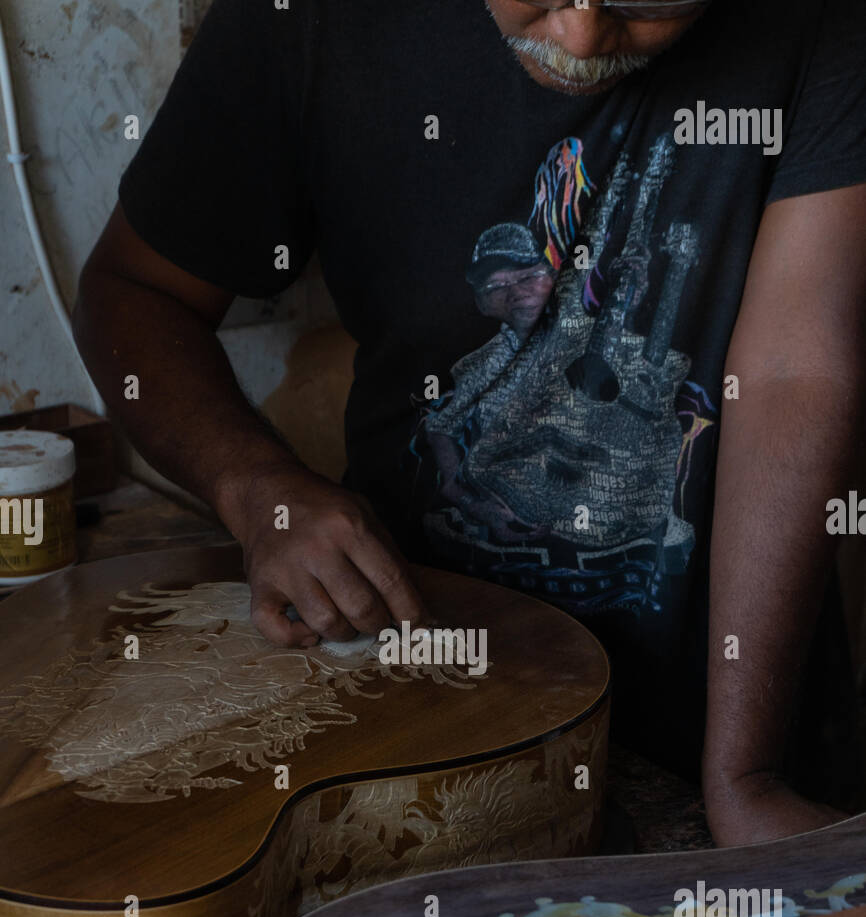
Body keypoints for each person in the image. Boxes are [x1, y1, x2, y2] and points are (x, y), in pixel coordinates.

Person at [72, 0, 866, 848]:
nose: (583, 36)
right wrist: (258, 489)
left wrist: (744, 776)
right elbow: (134, 292)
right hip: (414, 689)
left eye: (646, 4)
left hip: (735, 707)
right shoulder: (308, 20)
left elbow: (793, 372)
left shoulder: (820, 19)